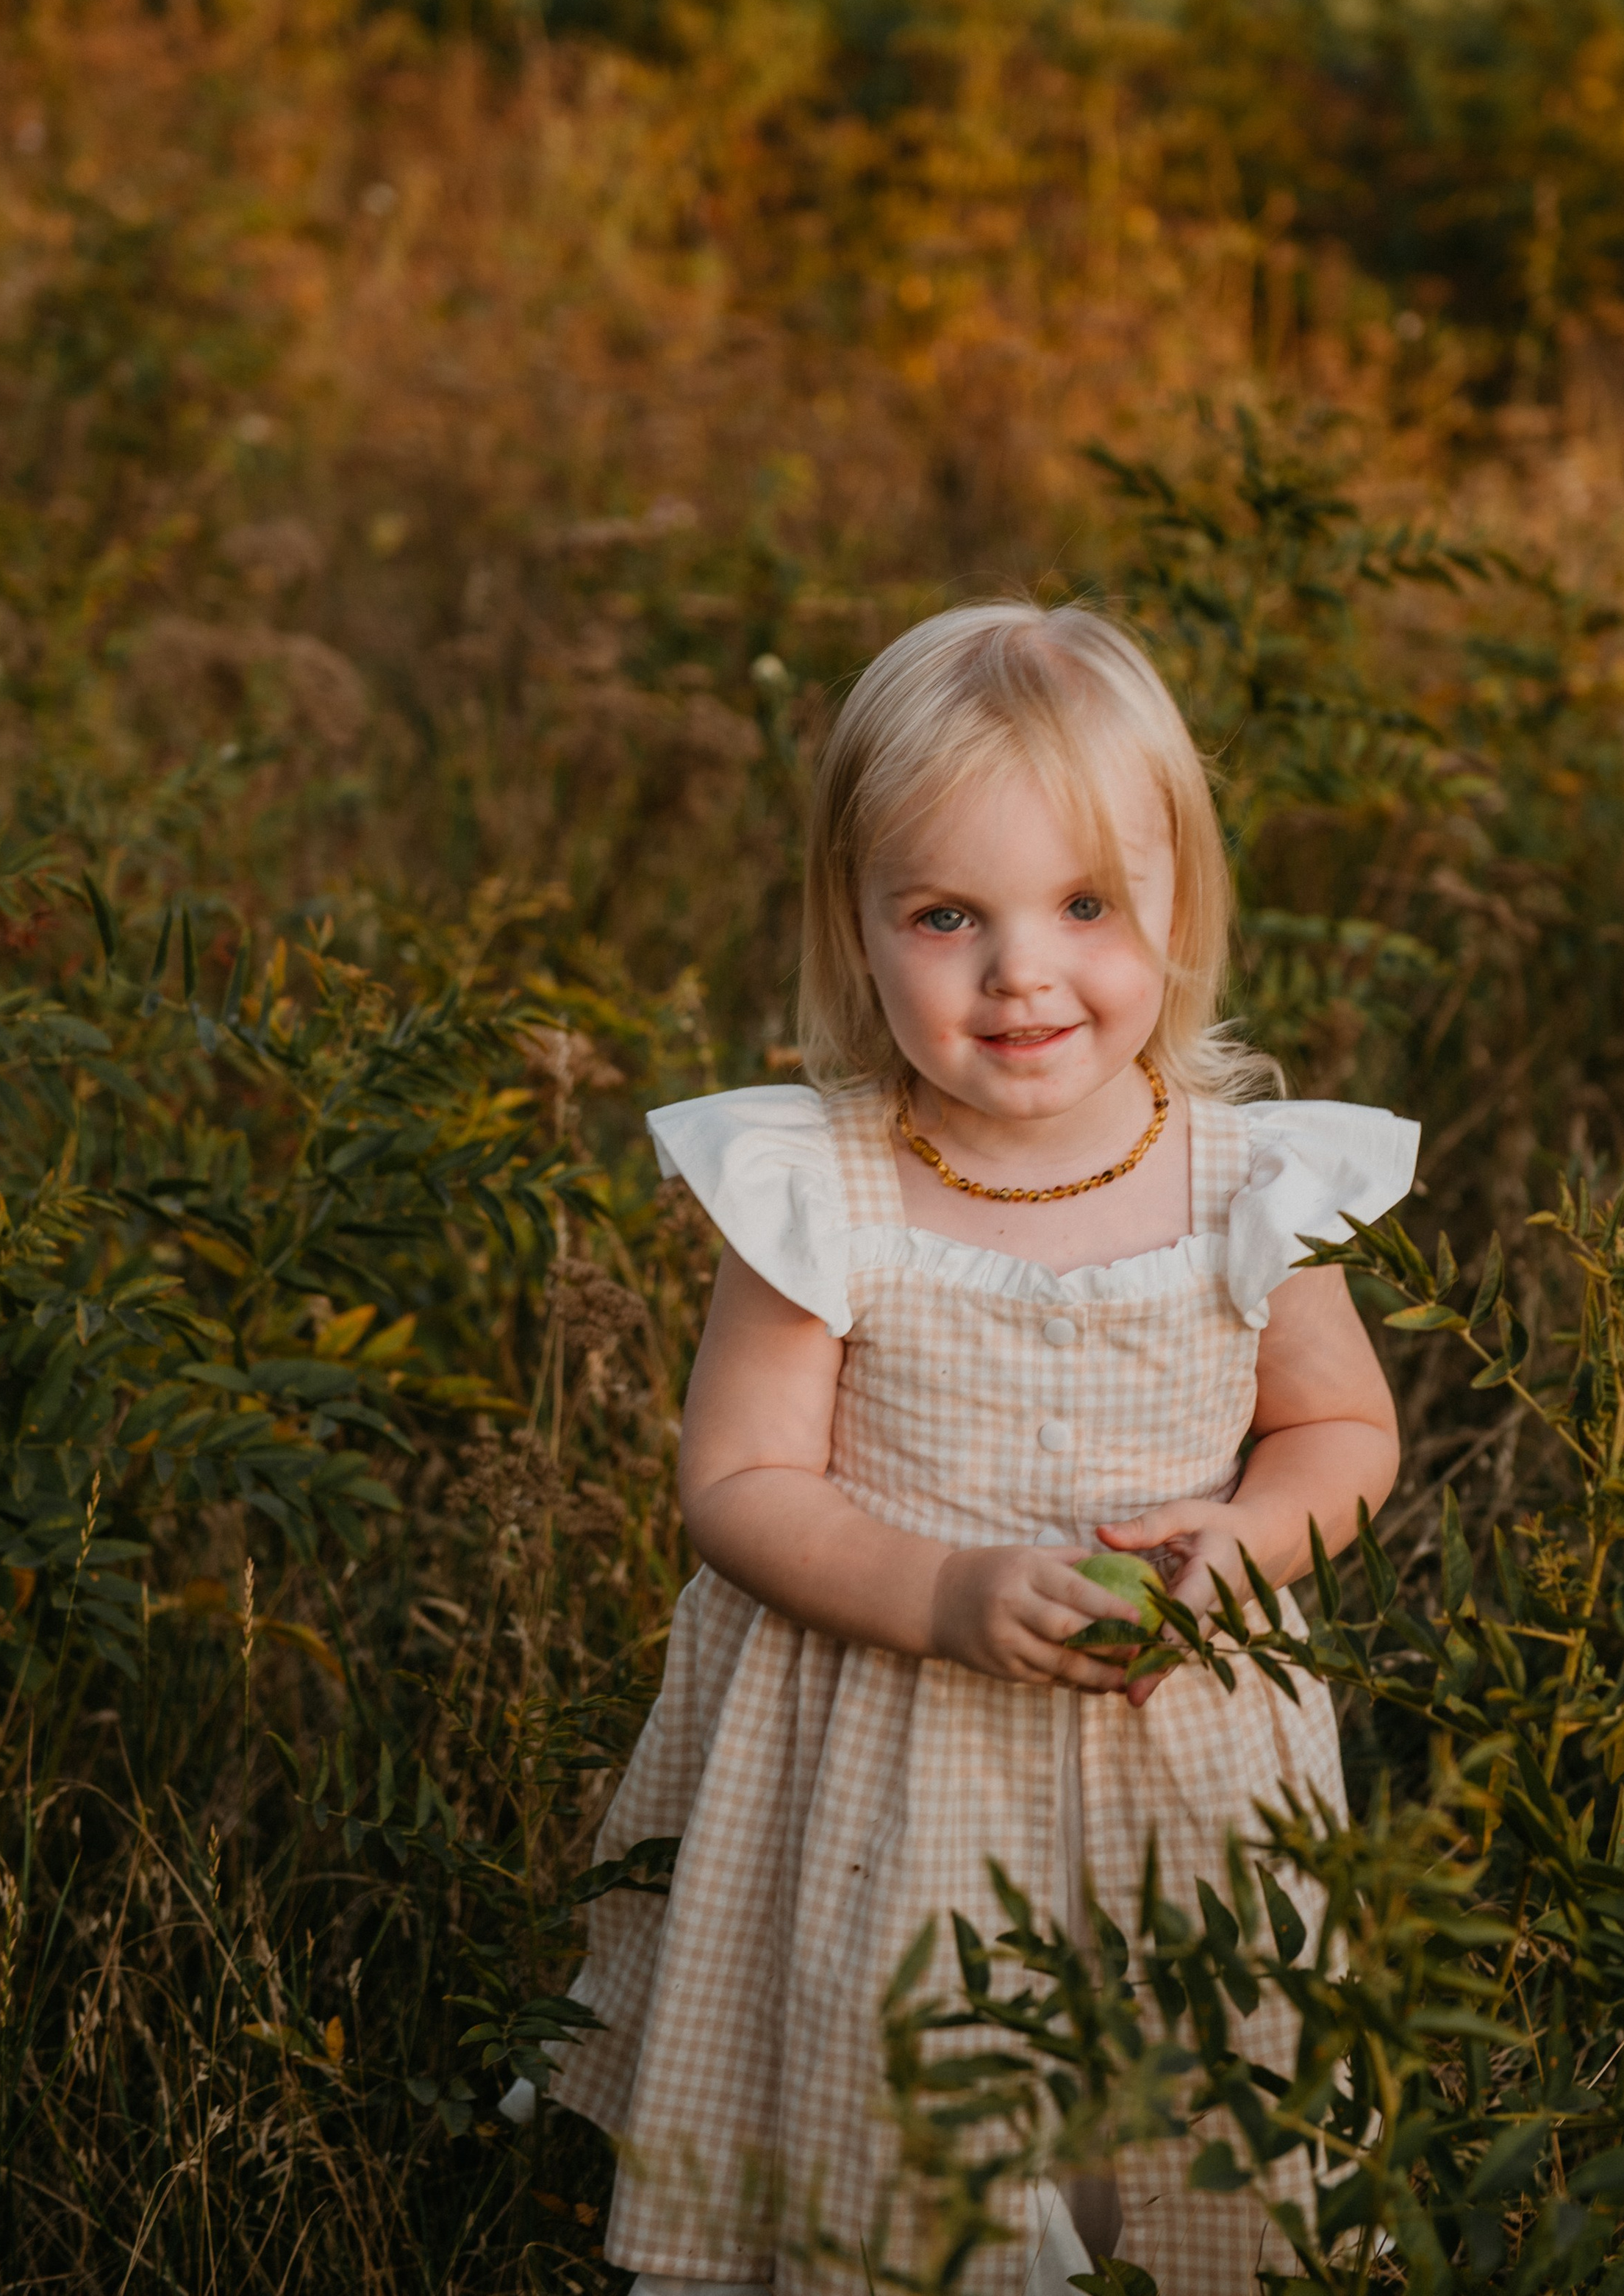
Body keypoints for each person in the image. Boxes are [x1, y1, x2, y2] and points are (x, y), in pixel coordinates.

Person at [542, 602, 1418, 2295]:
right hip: (894, 1748)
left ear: (1178, 908)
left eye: (1084, 905)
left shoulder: (1249, 1179)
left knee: (1180, 2084)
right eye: (945, 915)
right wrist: (941, 1595)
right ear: (855, 927)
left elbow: (1338, 1425)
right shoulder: (821, 1187)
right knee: (908, 2114)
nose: (1019, 971)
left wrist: (1244, 1549)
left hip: (1180, 1746)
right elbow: (737, 1484)